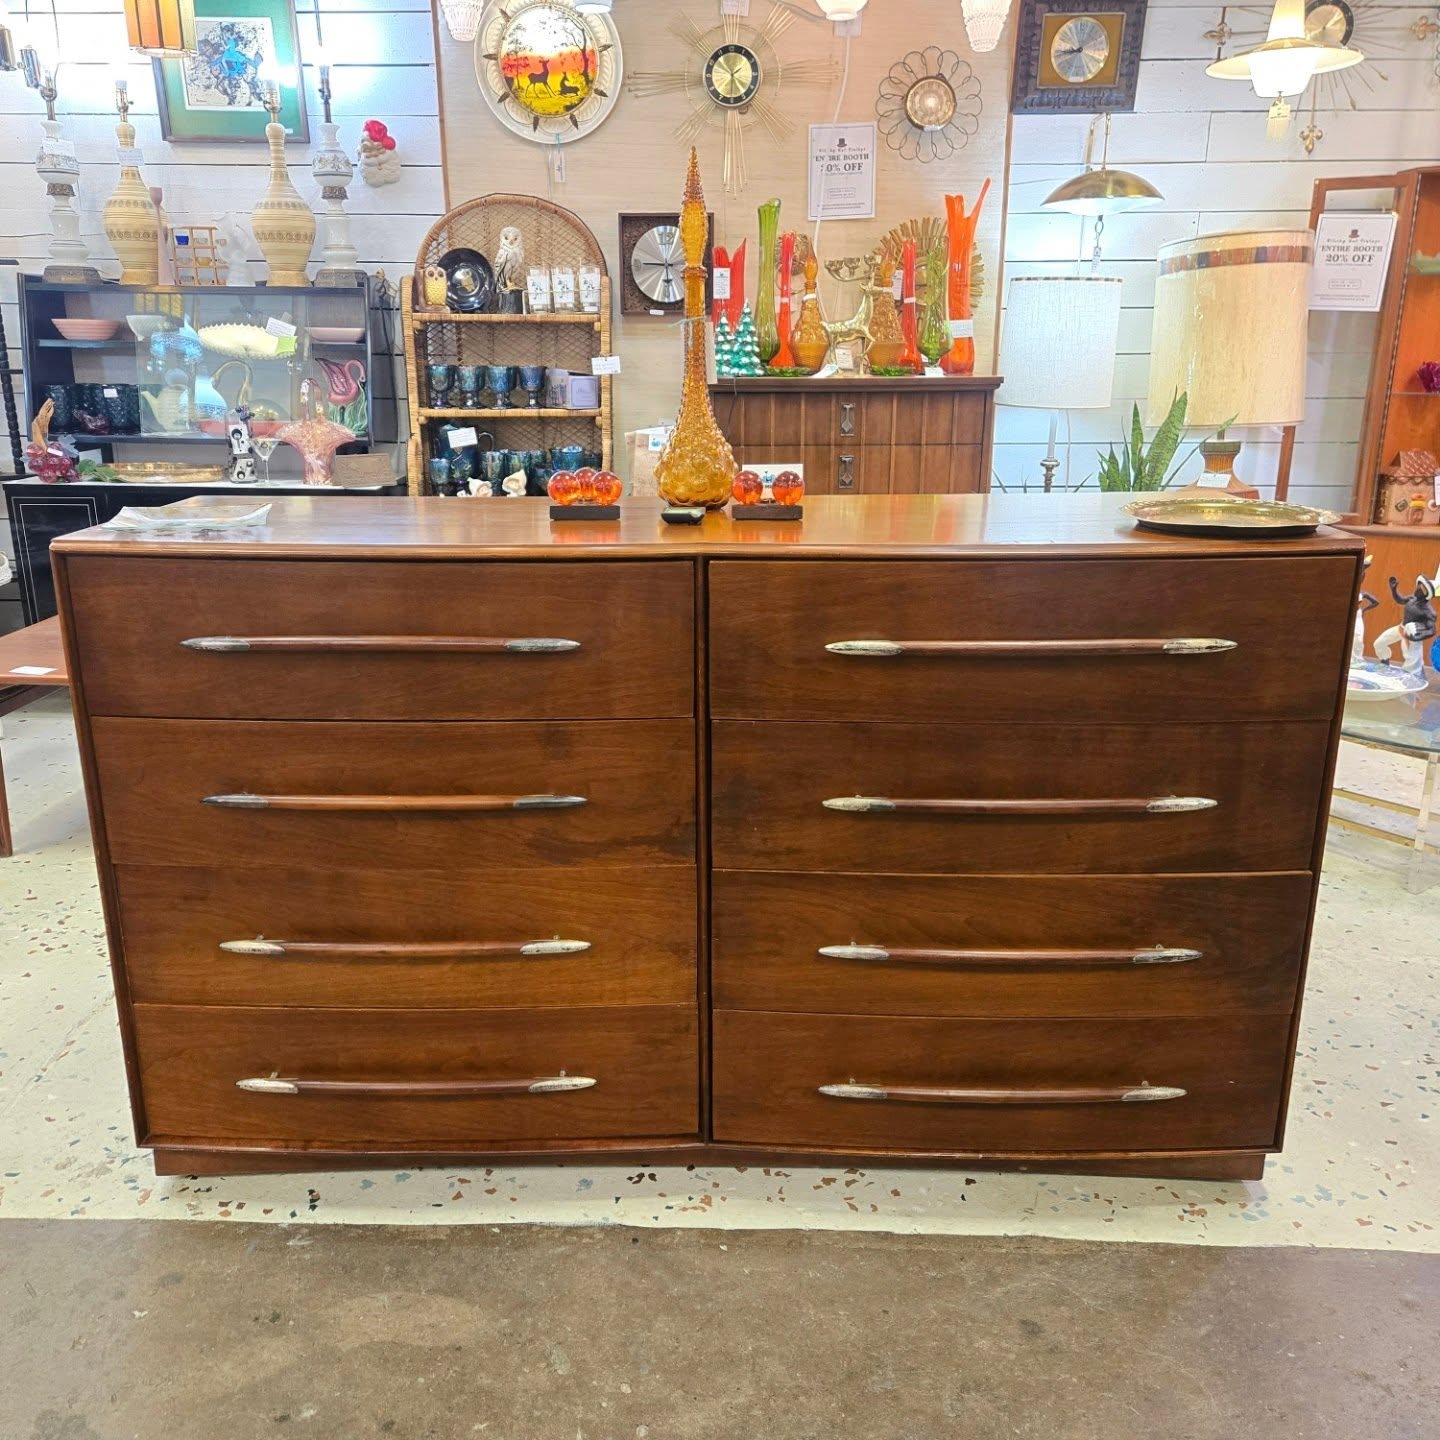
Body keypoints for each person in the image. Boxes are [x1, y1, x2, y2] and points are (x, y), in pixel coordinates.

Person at [1373, 573, 1437, 675]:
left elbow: (1432, 630)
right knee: (1379, 643)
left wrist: (1417, 636)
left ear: (1426, 594)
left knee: (1411, 659)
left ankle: (1414, 676)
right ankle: (1384, 662)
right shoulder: (1412, 599)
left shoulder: (1428, 611)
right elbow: (1400, 600)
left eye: (1422, 588)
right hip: (1401, 628)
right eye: (1419, 585)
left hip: (1412, 634)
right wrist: (1394, 590)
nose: (1418, 589)